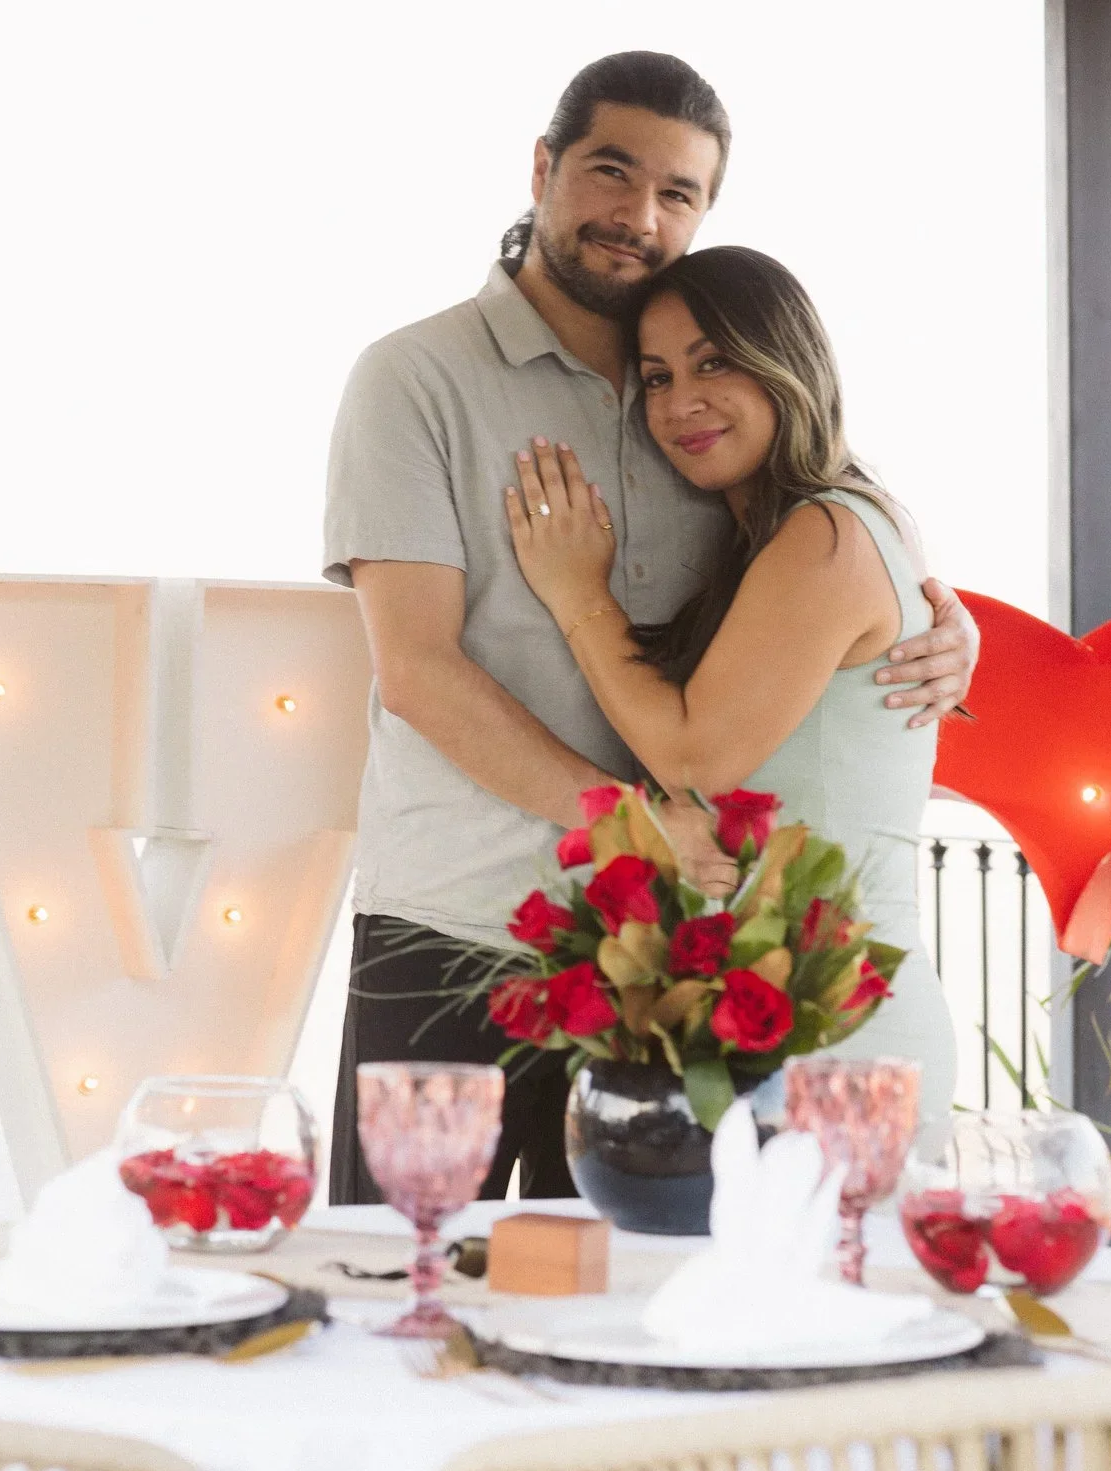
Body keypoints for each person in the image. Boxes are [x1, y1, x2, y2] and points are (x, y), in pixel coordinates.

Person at [322, 52, 976, 1203]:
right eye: (611, 172)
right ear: (543, 167)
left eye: (678, 192)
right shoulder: (414, 378)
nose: (639, 216)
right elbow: (417, 670)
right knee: (404, 1271)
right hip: (459, 923)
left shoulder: (704, 405)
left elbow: (841, 554)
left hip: (667, 968)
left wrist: (950, 623)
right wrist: (633, 822)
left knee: (629, 1284)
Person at [502, 243, 958, 1124]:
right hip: (778, 1022)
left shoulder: (826, 535)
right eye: (658, 377)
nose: (680, 404)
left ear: (786, 361)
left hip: (841, 1038)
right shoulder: (799, 535)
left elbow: (693, 758)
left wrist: (576, 593)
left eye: (713, 363)